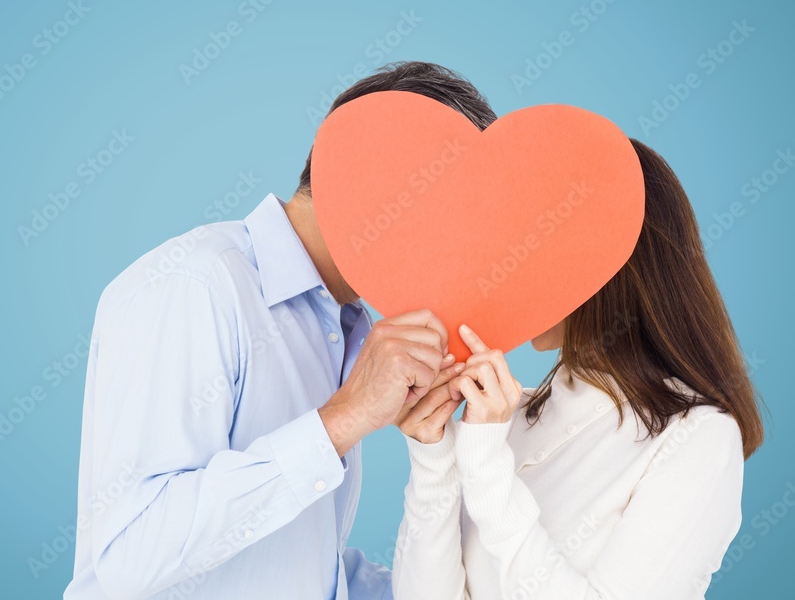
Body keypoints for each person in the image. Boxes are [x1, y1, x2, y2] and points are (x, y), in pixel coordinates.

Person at [63, 62, 498, 600]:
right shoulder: (193, 285)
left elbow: (291, 565)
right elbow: (130, 556)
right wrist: (343, 419)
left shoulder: (341, 325)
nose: (459, 251)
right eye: (455, 215)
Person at [392, 139, 765, 599]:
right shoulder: (506, 419)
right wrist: (434, 457)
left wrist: (488, 466)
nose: (505, 265)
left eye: (530, 243)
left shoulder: (699, 437)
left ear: (603, 266)